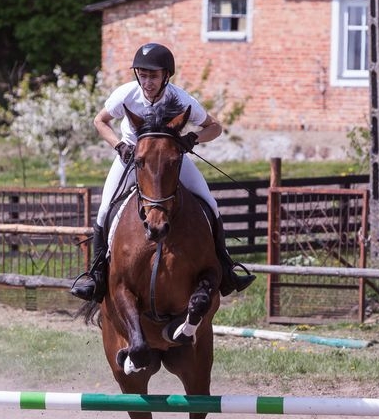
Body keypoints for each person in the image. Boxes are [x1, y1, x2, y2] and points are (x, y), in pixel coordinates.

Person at [70, 42, 255, 303]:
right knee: (104, 209)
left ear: (166, 75)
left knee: (211, 204)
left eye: (153, 76)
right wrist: (119, 145)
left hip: (169, 159)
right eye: (143, 75)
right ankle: (96, 275)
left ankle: (226, 268)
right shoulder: (126, 94)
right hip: (132, 158)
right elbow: (99, 121)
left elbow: (215, 127)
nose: (147, 82)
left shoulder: (180, 98)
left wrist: (193, 138)